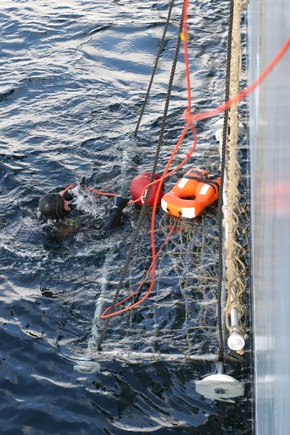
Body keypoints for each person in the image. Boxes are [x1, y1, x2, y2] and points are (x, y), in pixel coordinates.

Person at [38, 179, 128, 232]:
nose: (67, 202)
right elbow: (103, 233)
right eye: (64, 202)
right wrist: (117, 209)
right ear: (60, 211)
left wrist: (77, 191)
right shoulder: (66, 227)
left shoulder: (47, 210)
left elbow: (61, 196)